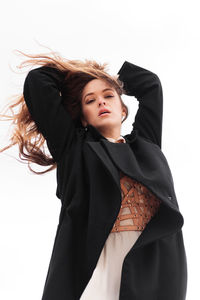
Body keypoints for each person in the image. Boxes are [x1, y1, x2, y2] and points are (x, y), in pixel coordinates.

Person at [0, 50, 188, 300]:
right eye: (90, 100)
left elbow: (150, 85)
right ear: (84, 119)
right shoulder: (74, 149)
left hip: (151, 262)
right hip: (96, 261)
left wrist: (112, 76)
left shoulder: (147, 145)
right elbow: (38, 82)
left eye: (108, 96)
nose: (101, 102)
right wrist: (80, 73)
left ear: (123, 111)